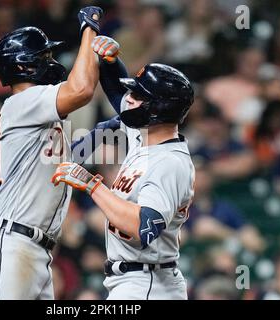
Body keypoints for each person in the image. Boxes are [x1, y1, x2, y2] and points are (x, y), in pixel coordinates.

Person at [0, 6, 103, 300]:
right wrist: (88, 31)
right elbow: (81, 89)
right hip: (12, 244)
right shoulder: (24, 102)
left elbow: (60, 158)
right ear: (25, 65)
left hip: (34, 250)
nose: (51, 62)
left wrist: (107, 129)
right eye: (45, 56)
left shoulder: (37, 111)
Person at [52, 36, 195, 299]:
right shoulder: (145, 135)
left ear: (158, 109)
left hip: (150, 284)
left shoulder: (169, 163)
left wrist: (91, 185)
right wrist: (110, 60)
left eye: (139, 96)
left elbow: (146, 227)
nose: (130, 99)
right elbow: (118, 93)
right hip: (136, 280)